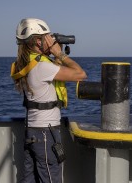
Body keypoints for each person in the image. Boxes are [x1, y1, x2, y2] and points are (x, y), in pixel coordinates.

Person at [11, 18, 87, 183]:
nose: (50, 40)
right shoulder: (42, 67)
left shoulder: (26, 64)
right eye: (47, 37)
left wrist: (53, 55)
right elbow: (80, 74)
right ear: (38, 41)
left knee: (29, 179)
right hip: (46, 133)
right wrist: (59, 53)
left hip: (31, 130)